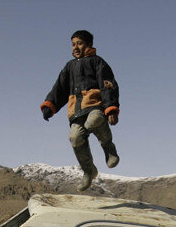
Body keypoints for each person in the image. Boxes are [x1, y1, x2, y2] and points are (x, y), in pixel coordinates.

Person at [41, 30, 120, 192]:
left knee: (95, 121)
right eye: (73, 44)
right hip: (76, 110)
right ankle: (89, 170)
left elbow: (107, 85)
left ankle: (109, 149)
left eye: (80, 43)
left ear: (89, 45)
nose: (76, 47)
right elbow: (60, 89)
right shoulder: (69, 67)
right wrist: (50, 105)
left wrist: (111, 107)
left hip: (94, 105)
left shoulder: (98, 62)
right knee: (75, 138)